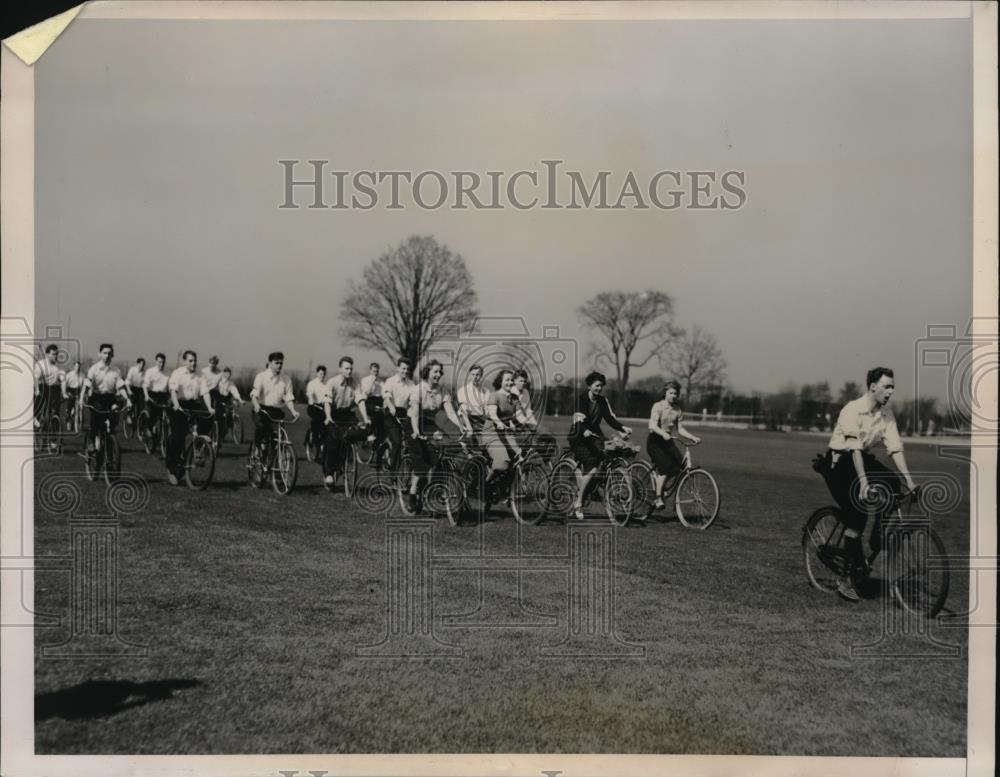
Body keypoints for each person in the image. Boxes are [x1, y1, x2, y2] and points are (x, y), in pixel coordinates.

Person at [822, 366, 916, 602]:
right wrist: (864, 484)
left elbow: (894, 449)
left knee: (892, 482)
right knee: (858, 512)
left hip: (861, 458)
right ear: (873, 387)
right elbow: (852, 450)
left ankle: (878, 536)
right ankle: (847, 579)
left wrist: (910, 481)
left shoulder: (886, 413)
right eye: (887, 386)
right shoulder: (852, 410)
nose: (891, 391)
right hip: (840, 463)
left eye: (893, 387)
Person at [568, 371, 631, 520]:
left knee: (611, 452)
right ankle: (578, 502)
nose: (599, 388)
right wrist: (584, 431)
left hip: (595, 436)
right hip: (579, 437)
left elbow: (610, 419)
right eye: (596, 385)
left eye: (601, 386)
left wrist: (623, 428)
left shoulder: (603, 401)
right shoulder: (581, 399)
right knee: (593, 465)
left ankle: (594, 487)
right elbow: (577, 421)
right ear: (589, 386)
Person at [405, 359, 463, 512]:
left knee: (440, 451)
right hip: (413, 422)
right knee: (420, 455)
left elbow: (449, 411)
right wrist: (416, 431)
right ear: (427, 373)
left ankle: (434, 482)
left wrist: (460, 427)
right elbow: (415, 414)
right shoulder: (417, 390)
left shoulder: (442, 390)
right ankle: (412, 491)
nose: (438, 375)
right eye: (435, 372)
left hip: (431, 424)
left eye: (440, 372)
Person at [647, 380, 700, 509]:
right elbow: (652, 425)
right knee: (665, 468)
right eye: (670, 393)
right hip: (655, 441)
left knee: (679, 467)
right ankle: (658, 497)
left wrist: (692, 437)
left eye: (675, 393)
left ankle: (662, 486)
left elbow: (680, 429)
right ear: (665, 393)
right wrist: (663, 433)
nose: (673, 396)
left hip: (668, 441)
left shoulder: (677, 410)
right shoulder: (658, 406)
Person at [166, 350, 214, 485]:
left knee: (208, 418)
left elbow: (205, 392)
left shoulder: (200, 374)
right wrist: (176, 404)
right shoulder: (178, 373)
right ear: (184, 361)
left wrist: (209, 407)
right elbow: (173, 391)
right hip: (179, 405)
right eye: (190, 361)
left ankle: (199, 448)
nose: (193, 363)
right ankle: (172, 469)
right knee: (177, 438)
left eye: (195, 360)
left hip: (194, 404)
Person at [323, 357, 371, 488]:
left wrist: (366, 417)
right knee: (333, 442)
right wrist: (328, 416)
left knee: (355, 433)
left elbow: (360, 401)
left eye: (351, 368)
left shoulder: (355, 383)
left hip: (347, 414)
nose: (349, 371)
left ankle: (346, 459)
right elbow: (327, 401)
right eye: (346, 368)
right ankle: (328, 473)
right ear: (340, 369)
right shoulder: (332, 383)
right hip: (333, 413)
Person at [479, 369, 525, 494]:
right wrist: (499, 423)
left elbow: (519, 416)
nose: (510, 382)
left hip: (506, 434)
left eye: (511, 380)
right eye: (507, 380)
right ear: (500, 381)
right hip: (492, 433)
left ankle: (504, 489)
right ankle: (485, 485)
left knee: (519, 458)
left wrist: (524, 425)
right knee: (502, 463)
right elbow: (492, 414)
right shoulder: (495, 396)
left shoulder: (514, 398)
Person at [81, 343, 131, 453]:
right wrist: (81, 399)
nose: (107, 355)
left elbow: (121, 386)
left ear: (112, 355)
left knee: (113, 418)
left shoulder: (116, 371)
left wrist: (127, 398)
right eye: (104, 353)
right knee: (96, 419)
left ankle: (110, 441)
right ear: (99, 355)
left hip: (110, 398)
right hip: (97, 397)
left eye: (109, 353)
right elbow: (87, 384)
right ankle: (91, 440)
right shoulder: (94, 369)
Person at [250, 352, 300, 460]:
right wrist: (256, 406)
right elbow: (254, 395)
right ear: (270, 363)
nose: (279, 366)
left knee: (278, 437)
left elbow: (289, 398)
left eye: (281, 363)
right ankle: (257, 448)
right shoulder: (261, 377)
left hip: (276, 411)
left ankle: (276, 465)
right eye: (277, 363)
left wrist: (293, 411)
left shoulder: (286, 379)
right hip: (261, 409)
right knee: (262, 427)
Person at [511, 369, 558, 461]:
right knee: (534, 436)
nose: (523, 383)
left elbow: (528, 411)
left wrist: (534, 424)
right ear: (515, 381)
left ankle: (544, 457)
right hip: (514, 423)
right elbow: (517, 413)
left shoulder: (526, 392)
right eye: (520, 381)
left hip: (525, 422)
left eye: (524, 381)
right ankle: (528, 455)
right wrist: (530, 425)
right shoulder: (512, 393)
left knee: (548, 435)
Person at [382, 357, 415, 473]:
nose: (405, 371)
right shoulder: (390, 381)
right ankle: (391, 465)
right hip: (391, 413)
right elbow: (386, 396)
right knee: (396, 440)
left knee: (412, 439)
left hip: (404, 413)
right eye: (403, 368)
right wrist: (391, 407)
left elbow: (413, 401)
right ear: (398, 368)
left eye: (407, 369)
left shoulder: (411, 384)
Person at [34, 344, 64, 432]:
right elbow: (36, 377)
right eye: (54, 354)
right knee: (39, 400)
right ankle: (35, 418)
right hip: (41, 386)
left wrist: (63, 392)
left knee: (55, 411)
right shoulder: (41, 364)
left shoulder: (56, 367)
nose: (56, 356)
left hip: (53, 388)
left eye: (57, 354)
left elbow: (61, 380)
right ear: (47, 354)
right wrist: (37, 390)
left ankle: (54, 436)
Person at [142, 352, 171, 444]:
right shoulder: (150, 371)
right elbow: (145, 386)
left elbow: (170, 386)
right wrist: (146, 396)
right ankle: (147, 428)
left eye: (163, 362)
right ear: (156, 362)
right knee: (150, 415)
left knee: (164, 417)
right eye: (159, 362)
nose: (161, 364)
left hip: (163, 396)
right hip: (152, 395)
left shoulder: (168, 372)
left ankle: (162, 436)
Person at [305, 365, 332, 461]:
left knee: (327, 423)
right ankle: (314, 440)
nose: (322, 375)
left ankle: (325, 444)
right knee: (317, 421)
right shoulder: (312, 384)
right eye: (320, 373)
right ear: (317, 374)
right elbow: (310, 393)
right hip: (313, 406)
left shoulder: (326, 384)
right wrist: (311, 399)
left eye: (324, 374)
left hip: (322, 406)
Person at [456, 364, 490, 440]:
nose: (475, 377)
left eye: (477, 375)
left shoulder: (486, 391)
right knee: (463, 408)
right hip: (467, 419)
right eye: (473, 374)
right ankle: (468, 432)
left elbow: (486, 409)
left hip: (480, 419)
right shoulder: (463, 390)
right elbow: (463, 409)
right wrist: (469, 427)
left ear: (481, 376)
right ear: (469, 375)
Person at [358, 361, 385, 448]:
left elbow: (384, 394)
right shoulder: (365, 380)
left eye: (377, 371)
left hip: (378, 401)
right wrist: (372, 382)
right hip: (369, 401)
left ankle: (379, 440)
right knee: (374, 414)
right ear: (370, 371)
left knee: (383, 418)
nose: (375, 373)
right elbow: (366, 393)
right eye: (374, 371)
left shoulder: (381, 382)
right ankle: (368, 434)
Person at [216, 367, 244, 441]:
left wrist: (240, 400)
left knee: (229, 413)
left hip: (226, 399)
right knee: (219, 418)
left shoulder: (231, 383)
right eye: (226, 373)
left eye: (229, 374)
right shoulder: (218, 381)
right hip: (218, 399)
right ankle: (218, 433)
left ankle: (229, 427)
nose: (228, 375)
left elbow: (235, 391)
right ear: (223, 373)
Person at [202, 355, 224, 439]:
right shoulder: (204, 371)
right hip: (204, 392)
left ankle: (218, 437)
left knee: (219, 414)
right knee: (206, 412)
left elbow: (223, 384)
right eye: (210, 363)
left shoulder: (220, 373)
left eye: (214, 363)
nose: (212, 365)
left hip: (215, 393)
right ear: (208, 363)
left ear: (216, 364)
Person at [62, 359, 84, 428]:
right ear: (74, 367)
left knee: (79, 408)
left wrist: (83, 395)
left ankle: (79, 424)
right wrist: (65, 393)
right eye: (77, 367)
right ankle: (68, 419)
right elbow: (64, 383)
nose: (78, 368)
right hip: (70, 391)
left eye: (79, 367)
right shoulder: (69, 375)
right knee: (69, 407)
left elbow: (83, 385)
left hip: (78, 391)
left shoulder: (82, 375)